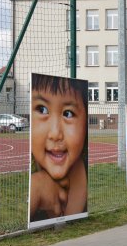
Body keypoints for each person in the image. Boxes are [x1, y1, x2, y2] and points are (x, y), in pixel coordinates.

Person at [30, 73, 88, 221]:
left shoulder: (93, 183)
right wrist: (34, 191)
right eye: (42, 109)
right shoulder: (23, 177)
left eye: (68, 113)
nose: (55, 134)